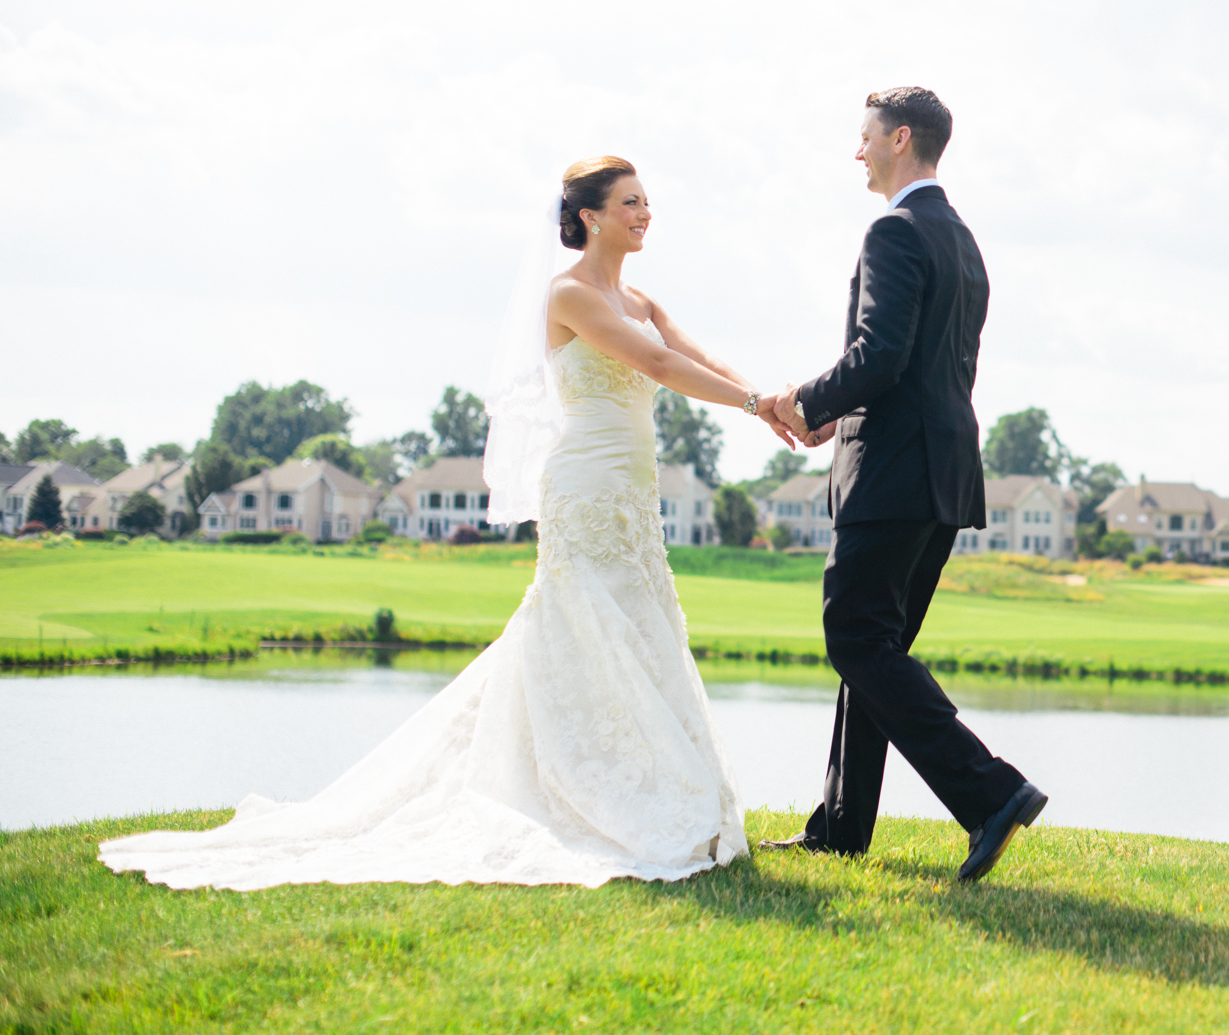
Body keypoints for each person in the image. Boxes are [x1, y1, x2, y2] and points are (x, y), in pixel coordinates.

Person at [99, 157, 788, 889]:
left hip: (634, 490)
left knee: (644, 626)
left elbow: (689, 353)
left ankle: (655, 786)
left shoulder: (642, 298)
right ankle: (591, 793)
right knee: (587, 623)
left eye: (647, 202)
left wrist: (770, 398)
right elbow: (653, 362)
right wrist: (756, 409)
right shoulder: (568, 295)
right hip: (586, 488)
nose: (644, 214)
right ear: (590, 216)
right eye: (630, 203)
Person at [758, 87, 1047, 883]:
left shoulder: (894, 229)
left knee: (856, 639)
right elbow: (920, 368)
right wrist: (832, 415)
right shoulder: (961, 237)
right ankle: (842, 828)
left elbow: (879, 356)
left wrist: (807, 400)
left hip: (891, 473)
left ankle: (992, 791)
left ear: (901, 138)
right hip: (943, 472)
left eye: (865, 137)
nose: (857, 151)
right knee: (878, 651)